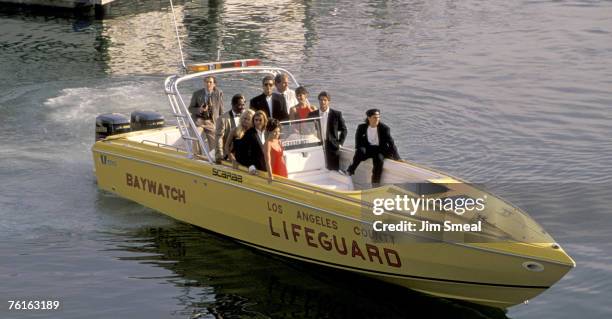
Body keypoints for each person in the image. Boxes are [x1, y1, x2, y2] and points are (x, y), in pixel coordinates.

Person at [346, 109, 401, 185]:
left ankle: (375, 184)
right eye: (375, 117)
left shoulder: (384, 128)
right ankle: (350, 171)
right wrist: (359, 148)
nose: (377, 119)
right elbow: (358, 140)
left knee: (379, 160)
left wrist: (397, 157)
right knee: (360, 151)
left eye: (378, 117)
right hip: (368, 149)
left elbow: (391, 143)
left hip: (379, 150)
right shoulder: (362, 127)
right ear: (369, 118)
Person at [308, 91, 347, 171]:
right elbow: (308, 130)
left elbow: (344, 130)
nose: (322, 102)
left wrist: (340, 143)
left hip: (332, 145)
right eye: (321, 100)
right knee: (317, 168)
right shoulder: (312, 115)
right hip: (317, 144)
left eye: (325, 100)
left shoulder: (336, 114)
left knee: (334, 169)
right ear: (318, 101)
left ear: (328, 101)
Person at [188, 76, 224, 148]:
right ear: (204, 83)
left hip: (211, 121)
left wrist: (221, 123)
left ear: (214, 84)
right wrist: (199, 109)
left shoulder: (218, 93)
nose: (208, 84)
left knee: (215, 140)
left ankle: (213, 157)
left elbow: (221, 109)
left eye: (210, 82)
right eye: (206, 82)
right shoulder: (197, 94)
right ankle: (197, 156)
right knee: (196, 136)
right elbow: (190, 109)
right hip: (198, 121)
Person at [215, 94, 245, 163]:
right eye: (240, 105)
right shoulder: (222, 119)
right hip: (228, 153)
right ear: (233, 105)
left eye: (243, 105)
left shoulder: (245, 117)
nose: (242, 107)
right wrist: (219, 155)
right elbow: (219, 138)